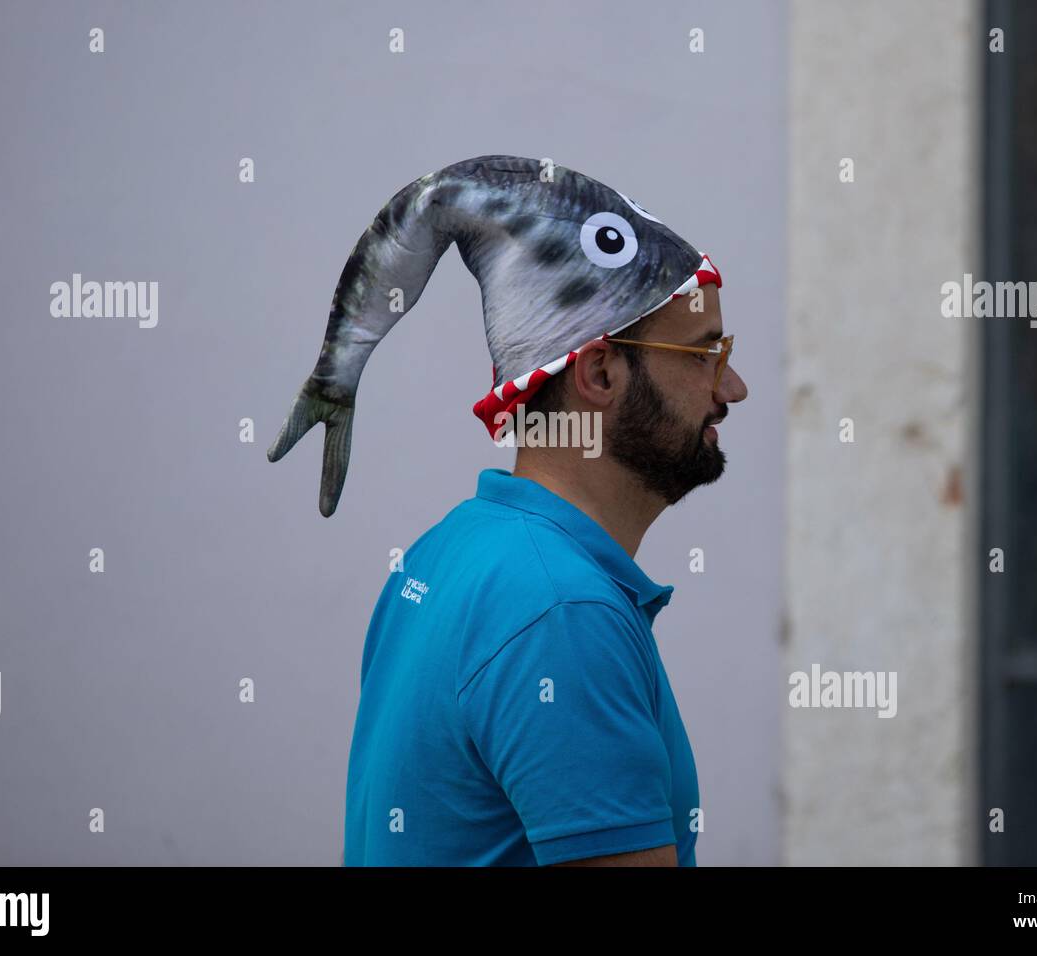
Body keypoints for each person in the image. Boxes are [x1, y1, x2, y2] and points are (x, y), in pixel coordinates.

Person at [265, 155, 746, 865]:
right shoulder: (564, 613)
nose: (732, 387)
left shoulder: (447, 554)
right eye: (705, 353)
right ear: (601, 372)